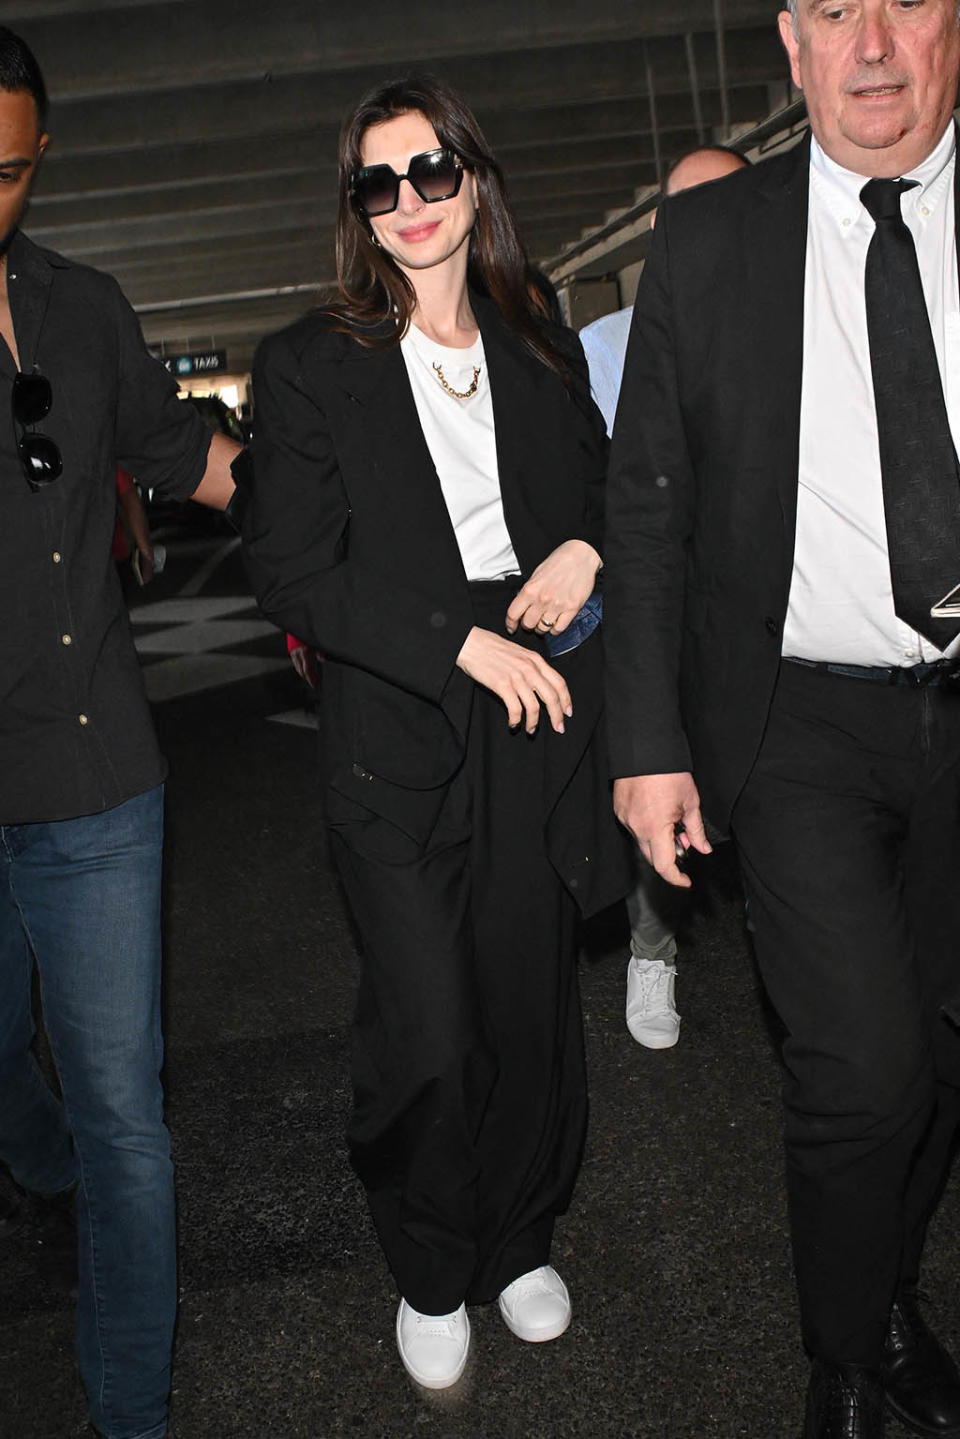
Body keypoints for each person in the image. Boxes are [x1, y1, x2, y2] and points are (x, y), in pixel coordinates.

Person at [239, 73, 631, 1391]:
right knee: (425, 1013)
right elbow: (292, 567)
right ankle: (428, 1255)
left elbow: (605, 489)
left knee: (526, 1001)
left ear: (474, 182)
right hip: (397, 714)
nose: (407, 201)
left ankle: (519, 1233)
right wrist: (458, 639)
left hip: (536, 721)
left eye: (430, 172)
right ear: (358, 208)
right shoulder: (310, 364)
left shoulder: (538, 341)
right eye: (378, 182)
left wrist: (579, 546)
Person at [604, 1, 960, 1434]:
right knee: (863, 1068)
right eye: (832, 9)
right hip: (796, 720)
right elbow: (648, 508)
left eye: (906, 1)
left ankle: (883, 1295)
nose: (871, 43)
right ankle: (846, 1361)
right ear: (790, 43)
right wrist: (645, 741)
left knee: (939, 1055)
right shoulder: (712, 240)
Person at [0, 27, 238, 1439]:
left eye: (8, 168)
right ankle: (29, 1149)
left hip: (96, 782)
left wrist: (357, 455)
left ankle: (132, 1412)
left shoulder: (86, 310)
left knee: (126, 1121)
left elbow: (191, 458)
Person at [581, 144, 748, 1051]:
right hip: (651, 609)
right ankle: (653, 950)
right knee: (657, 770)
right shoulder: (604, 348)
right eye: (692, 210)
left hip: (756, 614)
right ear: (660, 229)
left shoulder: (795, 328)